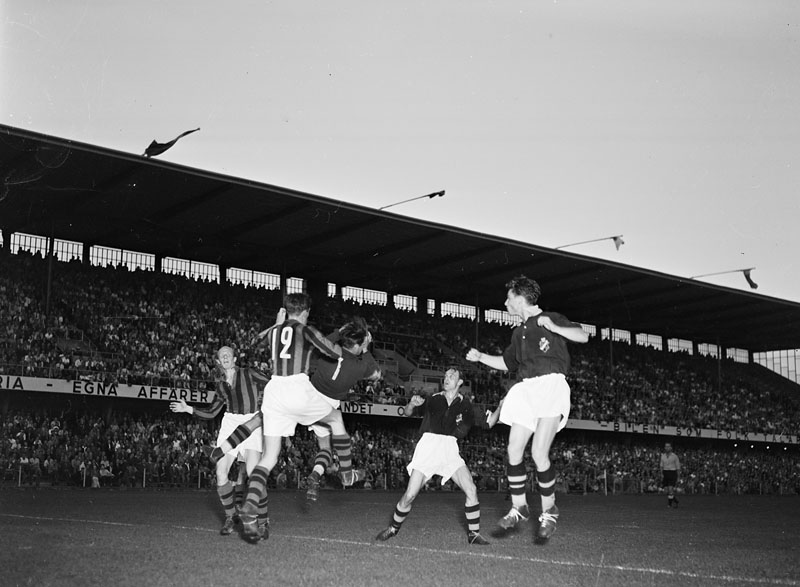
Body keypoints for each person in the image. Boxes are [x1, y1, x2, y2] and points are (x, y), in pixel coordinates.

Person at [203, 317, 381, 504]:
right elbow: (376, 373)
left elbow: (324, 343)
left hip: (305, 393)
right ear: (359, 345)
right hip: (322, 405)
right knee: (327, 444)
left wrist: (339, 331)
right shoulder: (359, 367)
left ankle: (221, 451)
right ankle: (327, 474)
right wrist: (367, 349)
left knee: (259, 424)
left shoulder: (324, 357)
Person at [466, 274, 588, 544]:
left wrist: (555, 328)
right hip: (526, 388)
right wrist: (481, 357)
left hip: (550, 385)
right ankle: (519, 507)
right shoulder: (517, 332)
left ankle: (549, 510)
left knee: (538, 452)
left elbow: (583, 336)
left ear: (520, 299)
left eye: (509, 297)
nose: (505, 302)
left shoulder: (551, 317)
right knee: (513, 450)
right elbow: (508, 363)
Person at [237, 292, 344, 543]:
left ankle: (250, 505)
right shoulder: (305, 330)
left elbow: (253, 342)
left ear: (286, 310)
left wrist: (276, 323)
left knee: (269, 457)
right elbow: (333, 350)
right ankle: (344, 468)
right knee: (334, 418)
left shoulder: (275, 331)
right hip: (297, 386)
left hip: (274, 390)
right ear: (306, 311)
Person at [375, 367, 490, 546]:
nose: (447, 378)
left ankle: (474, 534)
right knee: (410, 495)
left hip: (450, 448)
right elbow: (407, 413)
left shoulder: (466, 405)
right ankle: (393, 528)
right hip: (429, 447)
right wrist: (412, 404)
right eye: (445, 376)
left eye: (452, 376)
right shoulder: (432, 399)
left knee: (471, 489)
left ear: (460, 382)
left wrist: (500, 408)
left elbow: (485, 424)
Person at [170, 345, 268, 536]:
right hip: (230, 422)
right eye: (221, 356)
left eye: (227, 355)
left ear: (234, 358)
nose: (224, 358)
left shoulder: (249, 373)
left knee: (253, 473)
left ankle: (264, 521)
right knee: (221, 473)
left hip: (251, 422)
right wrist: (188, 409)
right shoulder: (221, 385)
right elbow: (213, 412)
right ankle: (231, 517)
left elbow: (271, 384)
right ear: (218, 361)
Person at [660, 442, 681, 508]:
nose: (667, 448)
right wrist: (661, 474)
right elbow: (661, 466)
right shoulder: (663, 456)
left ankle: (669, 504)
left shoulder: (675, 456)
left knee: (670, 489)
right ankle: (675, 500)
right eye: (666, 446)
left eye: (668, 446)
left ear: (671, 448)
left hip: (672, 473)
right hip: (665, 472)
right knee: (666, 490)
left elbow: (678, 467)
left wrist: (678, 477)